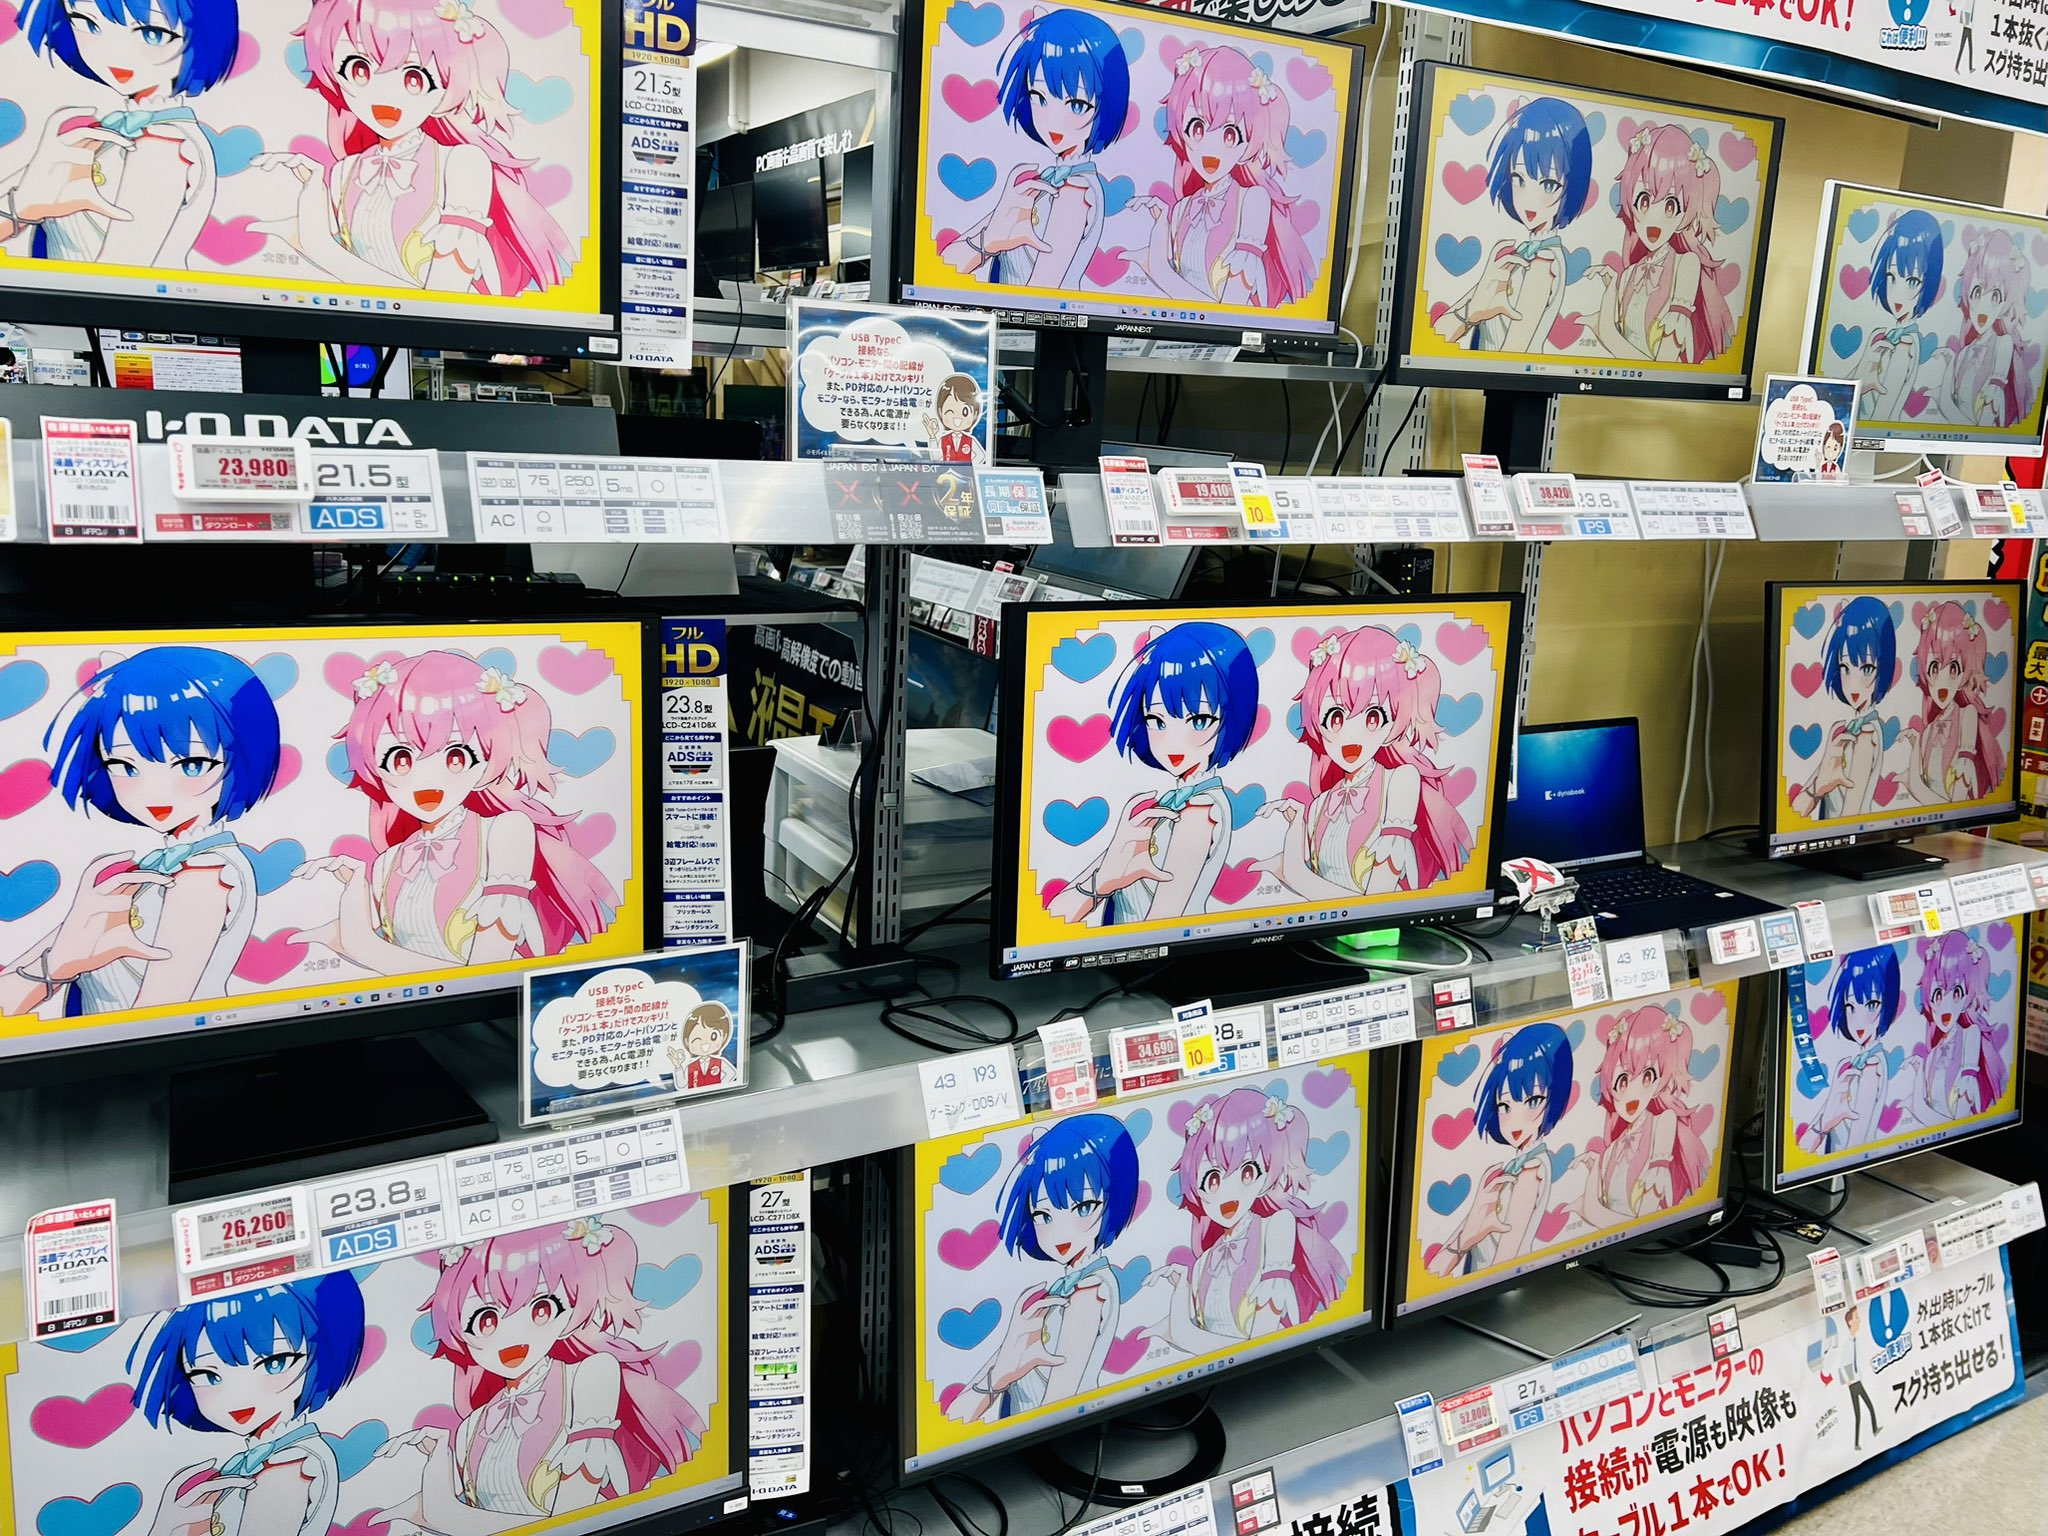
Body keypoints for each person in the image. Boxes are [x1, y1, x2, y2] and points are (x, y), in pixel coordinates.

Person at [294, 651, 618, 974]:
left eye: (456, 757)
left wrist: (358, 942)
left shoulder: (506, 831)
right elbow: (387, 959)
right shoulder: (385, 865)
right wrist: (354, 893)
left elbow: (488, 972)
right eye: (400, 758)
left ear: (488, 760)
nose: (427, 779)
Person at [0, 647, 281, 1018]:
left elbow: (157, 1017)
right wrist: (61, 959)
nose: (153, 793)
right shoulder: (143, 873)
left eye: (192, 764)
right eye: (125, 765)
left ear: (241, 758)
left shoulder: (206, 873)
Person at [379, 1216, 703, 1530]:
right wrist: (438, 1465)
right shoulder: (469, 1429)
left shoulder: (590, 1377)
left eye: (542, 1308)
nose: (513, 1335)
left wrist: (443, 1512)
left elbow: (575, 1522)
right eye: (486, 1319)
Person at [254, 0, 574, 295]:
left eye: (414, 78)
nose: (384, 94)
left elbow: (444, 301)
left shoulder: (462, 164)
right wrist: (309, 212)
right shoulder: (343, 174)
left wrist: (318, 245)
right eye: (359, 69)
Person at [1047, 622, 1259, 925]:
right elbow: (1051, 917)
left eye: (1199, 720)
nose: (1172, 743)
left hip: (1165, 949)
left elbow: (1163, 923)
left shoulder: (1201, 810)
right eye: (1157, 720)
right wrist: (1105, 877)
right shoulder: (1158, 810)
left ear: (1232, 716)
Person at [0, 0, 241, 265]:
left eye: (152, 33)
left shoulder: (164, 143)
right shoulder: (96, 138)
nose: (112, 52)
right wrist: (24, 203)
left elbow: (119, 273)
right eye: (87, 23)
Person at [129, 1274, 367, 1536]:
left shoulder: (289, 1464)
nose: (237, 1397)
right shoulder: (262, 1458)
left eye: (274, 1363)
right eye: (208, 1375)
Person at [946, 1114, 1139, 1421]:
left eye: (1083, 1207)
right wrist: (1002, 1371)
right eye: (1043, 1216)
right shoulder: (1049, 1297)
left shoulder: (1090, 1291)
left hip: (1059, 1432)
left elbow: (1058, 1403)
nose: (1059, 1234)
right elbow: (954, 1418)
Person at [1260, 626, 1472, 901]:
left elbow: (1377, 901)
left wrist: (1293, 872)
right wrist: (1296, 829)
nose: (1351, 735)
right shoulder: (1319, 807)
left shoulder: (1401, 781)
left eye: (1373, 716)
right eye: (1336, 717)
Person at [937, 8, 1130, 290]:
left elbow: (1042, 292)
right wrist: (990, 239)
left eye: (1077, 105)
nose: (1053, 121)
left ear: (1105, 108)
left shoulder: (1076, 190)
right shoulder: (1036, 185)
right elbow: (941, 267)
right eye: (1039, 97)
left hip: (1041, 318)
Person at [1144, 1086, 1348, 1352]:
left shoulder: (1277, 1226)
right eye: (1212, 1179)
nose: (1229, 1192)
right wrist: (1181, 1289)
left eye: (1248, 1171)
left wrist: (1180, 1329)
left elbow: (1263, 1346)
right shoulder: (1204, 1263)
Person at [1124, 45, 1314, 308]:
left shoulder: (1253, 201)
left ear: (1249, 141)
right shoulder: (1180, 210)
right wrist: (1160, 229)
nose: (1211, 147)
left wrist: (1158, 268)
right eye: (1197, 127)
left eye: (1230, 134)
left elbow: (1232, 311)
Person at [1433, 96, 1594, 353]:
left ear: (1571, 187)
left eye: (1549, 185)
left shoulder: (1544, 262)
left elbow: (1514, 353)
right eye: (1518, 178)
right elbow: (1434, 336)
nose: (1529, 200)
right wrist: (1473, 310)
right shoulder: (1514, 258)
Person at [1428, 1024, 1574, 1276]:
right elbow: (1437, 1268)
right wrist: (1468, 1233)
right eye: (1505, 1106)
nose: (1515, 1122)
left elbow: (1507, 1255)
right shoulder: (1507, 1172)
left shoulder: (1532, 1170)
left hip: (1494, 1281)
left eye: (1533, 1101)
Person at [1591, 124, 1735, 364]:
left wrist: (1605, 330)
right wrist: (1610, 292)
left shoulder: (1686, 265)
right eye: (1644, 200)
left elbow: (1664, 365)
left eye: (1670, 205)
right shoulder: (1627, 277)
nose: (1655, 218)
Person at [1573, 1005, 1712, 1228]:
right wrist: (1596, 1170)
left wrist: (1589, 1206)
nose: (1633, 1092)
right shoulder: (1611, 1151)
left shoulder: (1663, 1123)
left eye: (1648, 1076)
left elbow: (1645, 1223)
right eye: (1623, 1080)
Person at [1789, 595, 1898, 821]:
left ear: (1883, 667)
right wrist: (1819, 785)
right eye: (1845, 668)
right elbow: (1794, 811)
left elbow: (1850, 817)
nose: (1853, 685)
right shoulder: (1843, 733)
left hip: (1849, 838)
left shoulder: (1867, 734)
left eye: (1866, 669)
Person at [1799, 946, 1904, 1155]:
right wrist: (1825, 1123)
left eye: (1872, 1004)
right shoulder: (1846, 1066)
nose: (1859, 1021)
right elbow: (1804, 1147)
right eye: (1850, 1007)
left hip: (1849, 1162)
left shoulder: (1872, 1066)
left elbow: (1857, 1143)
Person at [1898, 600, 2004, 806]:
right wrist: (1916, 744)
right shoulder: (1929, 731)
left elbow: (1956, 806)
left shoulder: (1967, 715)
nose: (1943, 681)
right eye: (1934, 668)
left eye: (1954, 668)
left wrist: (1914, 784)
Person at [1852, 210, 1945, 421]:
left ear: (1928, 284)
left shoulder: (1905, 344)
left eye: (1912, 281)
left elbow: (1882, 416)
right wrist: (1861, 375)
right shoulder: (1879, 336)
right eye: (1891, 276)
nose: (1897, 294)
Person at [667, 1001, 736, 1089]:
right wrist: (678, 1066)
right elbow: (681, 1085)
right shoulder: (691, 1066)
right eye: (696, 1039)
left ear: (724, 1037)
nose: (705, 1044)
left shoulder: (720, 1062)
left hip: (718, 1094)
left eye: (713, 1036)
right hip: (693, 1096)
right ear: (687, 1041)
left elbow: (732, 1073)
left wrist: (720, 1084)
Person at [923, 375, 985, 463]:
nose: (957, 418)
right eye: (950, 411)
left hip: (965, 472)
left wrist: (969, 466)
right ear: (940, 412)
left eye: (965, 412)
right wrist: (932, 436)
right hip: (946, 471)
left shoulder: (970, 440)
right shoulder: (944, 439)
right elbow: (935, 457)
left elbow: (981, 455)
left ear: (974, 414)